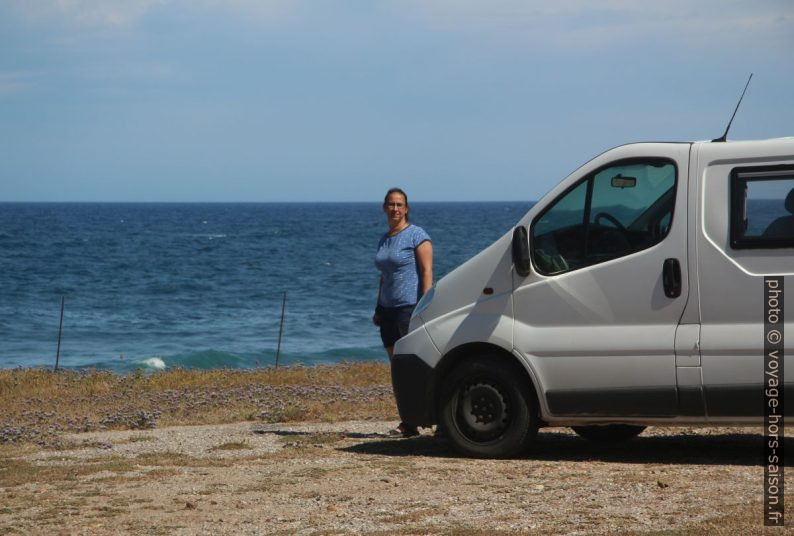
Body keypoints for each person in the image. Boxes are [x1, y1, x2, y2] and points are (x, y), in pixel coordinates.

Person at [373, 187, 433, 438]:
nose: (395, 208)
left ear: (406, 208)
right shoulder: (385, 238)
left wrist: (424, 306)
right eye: (391, 204)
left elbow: (427, 271)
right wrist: (377, 307)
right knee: (398, 368)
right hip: (387, 309)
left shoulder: (416, 235)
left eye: (399, 204)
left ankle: (425, 419)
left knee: (412, 366)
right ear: (384, 208)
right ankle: (409, 421)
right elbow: (384, 277)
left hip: (408, 308)